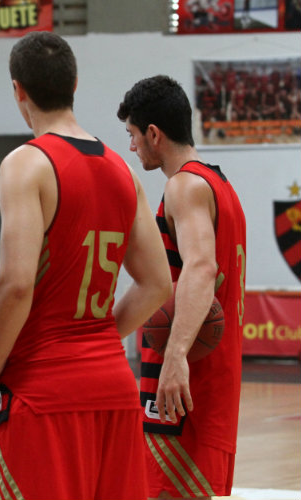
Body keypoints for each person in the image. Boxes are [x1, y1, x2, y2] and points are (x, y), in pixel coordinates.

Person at [0, 31, 172, 500]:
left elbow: (16, 282)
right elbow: (158, 284)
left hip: (44, 391)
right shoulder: (122, 169)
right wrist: (97, 339)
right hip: (114, 386)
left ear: (17, 89)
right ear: (75, 83)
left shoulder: (27, 164)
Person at [117, 75, 247, 499]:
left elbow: (201, 268)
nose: (132, 146)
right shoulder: (220, 185)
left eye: (133, 135)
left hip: (185, 382)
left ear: (153, 133)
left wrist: (174, 356)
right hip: (215, 379)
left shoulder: (184, 186)